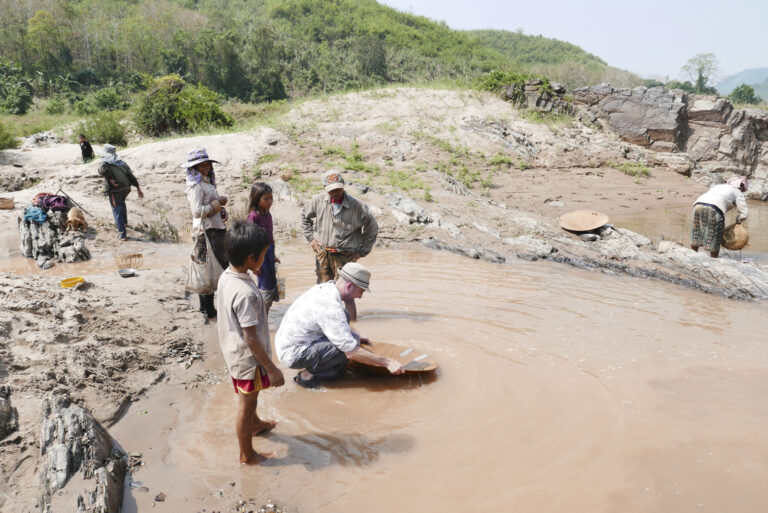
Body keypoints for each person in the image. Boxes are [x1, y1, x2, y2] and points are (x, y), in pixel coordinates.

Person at [217, 221, 285, 465]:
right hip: (248, 360)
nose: (264, 261)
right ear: (250, 258)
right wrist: (272, 368)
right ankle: (247, 454)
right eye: (263, 257)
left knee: (251, 400)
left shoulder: (228, 276)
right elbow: (251, 337)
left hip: (233, 351)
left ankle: (256, 425)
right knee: (246, 406)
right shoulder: (244, 293)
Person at [275, 262, 404, 389]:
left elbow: (335, 321)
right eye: (361, 292)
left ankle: (320, 363)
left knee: (346, 317)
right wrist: (387, 362)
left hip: (289, 343)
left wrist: (357, 333)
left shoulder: (326, 288)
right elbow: (351, 352)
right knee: (350, 345)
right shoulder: (330, 306)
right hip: (293, 354)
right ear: (349, 287)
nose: (360, 297)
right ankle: (307, 375)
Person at [300, 170, 378, 321]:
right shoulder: (317, 201)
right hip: (323, 253)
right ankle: (324, 323)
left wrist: (361, 252)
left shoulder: (357, 207)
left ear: (343, 186)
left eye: (338, 189)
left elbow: (372, 228)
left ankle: (352, 328)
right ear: (325, 188)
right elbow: (304, 216)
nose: (335, 193)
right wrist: (311, 239)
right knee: (323, 291)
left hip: (344, 255)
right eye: (331, 191)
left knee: (347, 295)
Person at [182, 148, 229, 320]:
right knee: (209, 269)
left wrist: (220, 210)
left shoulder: (207, 182)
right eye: (201, 165)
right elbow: (197, 212)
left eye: (207, 164)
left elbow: (208, 208)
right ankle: (209, 309)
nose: (205, 167)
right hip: (206, 232)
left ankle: (208, 308)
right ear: (194, 168)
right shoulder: (195, 185)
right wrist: (217, 203)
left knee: (210, 269)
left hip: (213, 229)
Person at [691, 175, 749, 258]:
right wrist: (738, 221)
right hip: (715, 208)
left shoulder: (719, 186)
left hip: (698, 205)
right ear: (742, 188)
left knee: (696, 231)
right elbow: (744, 212)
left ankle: (693, 254)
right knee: (716, 236)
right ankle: (714, 260)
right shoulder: (737, 192)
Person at [98, 144, 144, 241]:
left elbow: (101, 170)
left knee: (116, 208)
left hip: (116, 189)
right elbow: (131, 175)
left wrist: (110, 179)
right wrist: (138, 188)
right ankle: (125, 223)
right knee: (121, 203)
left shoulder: (104, 162)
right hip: (126, 187)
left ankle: (122, 234)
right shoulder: (122, 162)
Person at [247, 183, 280, 315]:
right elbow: (249, 240)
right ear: (256, 199)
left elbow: (270, 238)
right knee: (265, 288)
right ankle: (260, 317)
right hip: (259, 255)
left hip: (269, 253)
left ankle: (263, 316)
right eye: (266, 199)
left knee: (271, 286)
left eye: (271, 198)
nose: (269, 201)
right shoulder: (254, 216)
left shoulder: (268, 215)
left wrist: (274, 255)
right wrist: (255, 264)